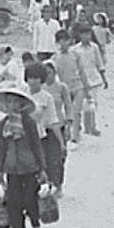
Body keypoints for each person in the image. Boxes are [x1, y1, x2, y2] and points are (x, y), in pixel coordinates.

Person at [0, 89, 48, 228]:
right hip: (11, 169)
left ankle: (36, 225)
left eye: (15, 102)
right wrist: (0, 170)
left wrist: (42, 168)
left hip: (30, 167)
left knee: (30, 200)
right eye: (8, 102)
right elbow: (2, 147)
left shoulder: (28, 122)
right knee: (13, 203)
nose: (11, 105)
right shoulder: (4, 124)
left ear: (21, 104)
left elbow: (36, 145)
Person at [23, 62, 67, 196]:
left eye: (36, 78)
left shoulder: (46, 98)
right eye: (30, 77)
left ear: (41, 80)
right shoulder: (21, 93)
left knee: (45, 164)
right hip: (23, 135)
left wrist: (61, 142)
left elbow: (53, 121)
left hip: (39, 136)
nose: (33, 81)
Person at [52, 29, 92, 149]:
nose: (64, 43)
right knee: (67, 112)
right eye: (61, 41)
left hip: (78, 86)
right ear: (57, 43)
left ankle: (75, 137)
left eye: (66, 40)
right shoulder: (55, 58)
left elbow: (82, 72)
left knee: (76, 111)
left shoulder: (75, 54)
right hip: (65, 89)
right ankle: (68, 131)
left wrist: (86, 87)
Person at [71, 22, 108, 138]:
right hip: (80, 81)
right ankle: (81, 125)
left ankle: (93, 126)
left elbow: (99, 63)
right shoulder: (74, 50)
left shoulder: (95, 48)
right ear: (80, 35)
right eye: (84, 34)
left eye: (88, 34)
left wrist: (104, 79)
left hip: (94, 79)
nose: (87, 36)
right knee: (81, 105)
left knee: (93, 104)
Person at [43, 61, 72, 198]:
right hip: (44, 127)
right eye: (45, 73)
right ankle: (48, 182)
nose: (48, 76)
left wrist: (69, 126)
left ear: (55, 73)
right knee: (45, 157)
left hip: (59, 125)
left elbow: (68, 106)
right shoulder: (40, 89)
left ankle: (59, 184)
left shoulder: (61, 88)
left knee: (59, 157)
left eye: (50, 72)